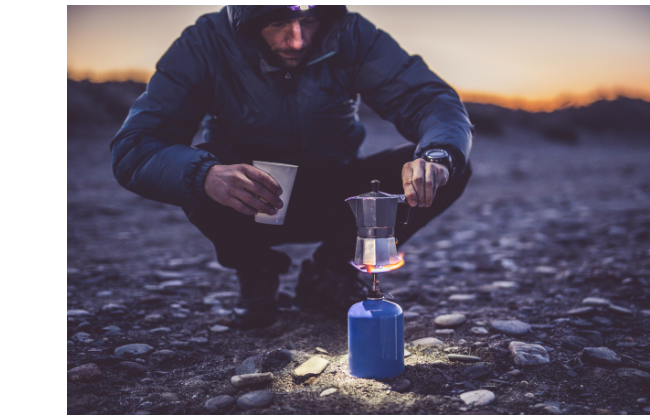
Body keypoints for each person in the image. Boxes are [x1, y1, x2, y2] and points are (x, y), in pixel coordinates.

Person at [111, 5, 473, 329]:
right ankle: (256, 272)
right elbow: (136, 147)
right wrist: (205, 176)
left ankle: (330, 273)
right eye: (277, 23)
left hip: (336, 192)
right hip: (252, 199)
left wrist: (436, 158)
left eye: (309, 21)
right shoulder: (205, 43)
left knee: (446, 164)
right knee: (201, 163)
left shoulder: (351, 34)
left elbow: (428, 100)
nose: (297, 41)